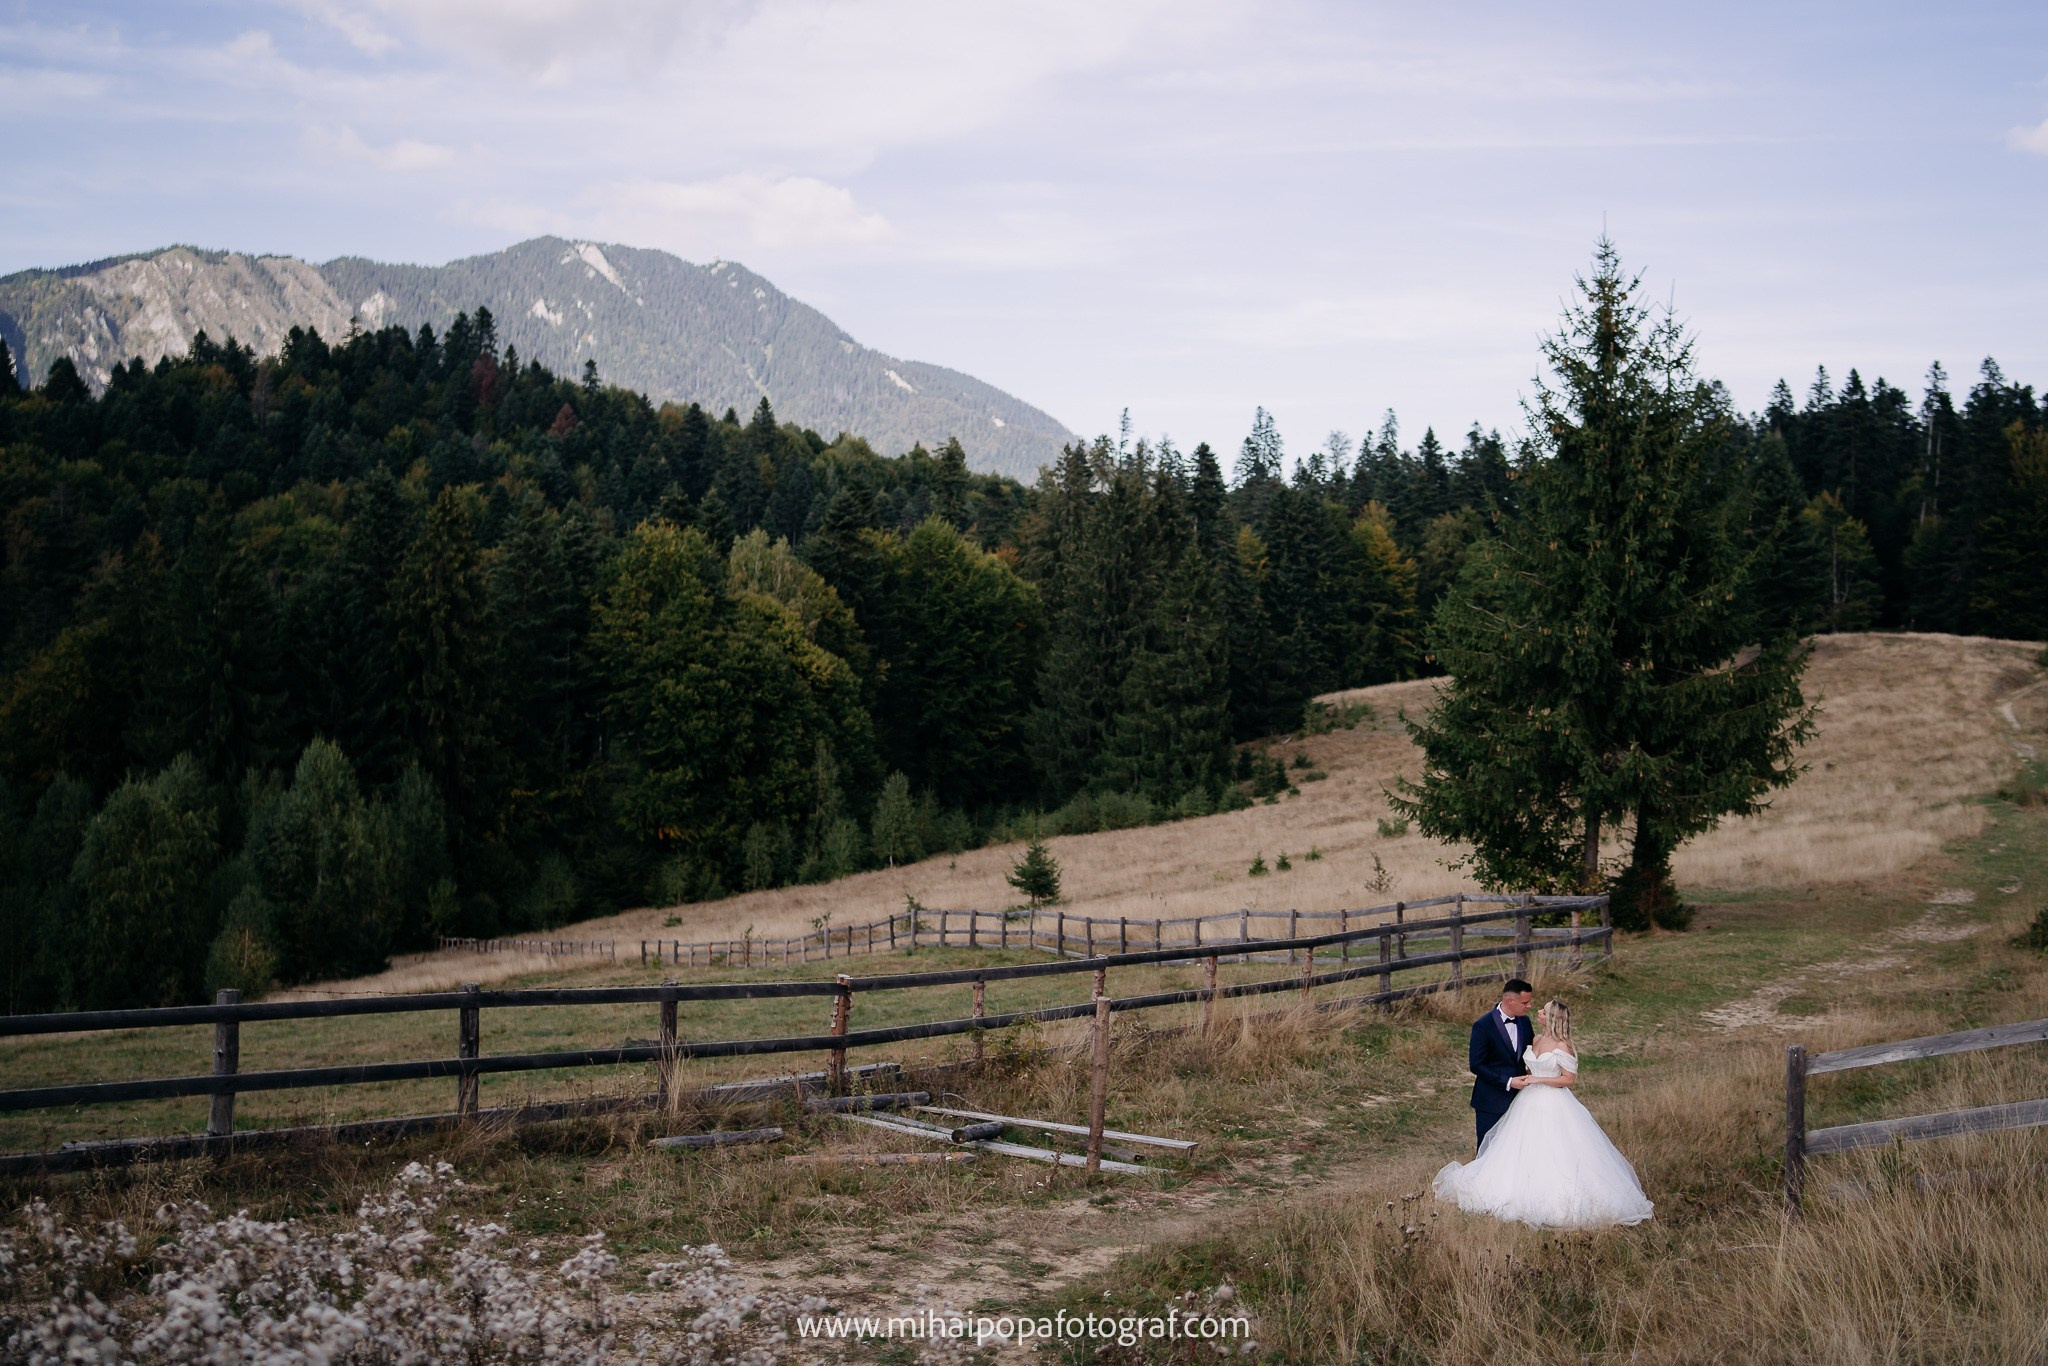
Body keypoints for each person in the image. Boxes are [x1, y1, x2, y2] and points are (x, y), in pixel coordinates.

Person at [1433, 999, 1654, 1229]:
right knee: (1520, 1144)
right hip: (1527, 1101)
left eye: (1544, 1011)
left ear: (1551, 1018)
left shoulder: (1563, 1046)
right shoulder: (1536, 1039)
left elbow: (1568, 1079)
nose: (1538, 1011)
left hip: (1553, 1102)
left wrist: (1539, 1079)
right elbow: (1527, 1066)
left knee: (1554, 1146)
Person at [1467, 979, 1536, 1148]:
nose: (1529, 1006)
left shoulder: (1525, 1022)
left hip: (1521, 1099)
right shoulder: (1483, 1026)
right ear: (1510, 1001)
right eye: (1525, 1002)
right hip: (1491, 1100)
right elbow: (1476, 1064)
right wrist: (1508, 1081)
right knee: (1488, 1148)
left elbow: (1530, 1052)